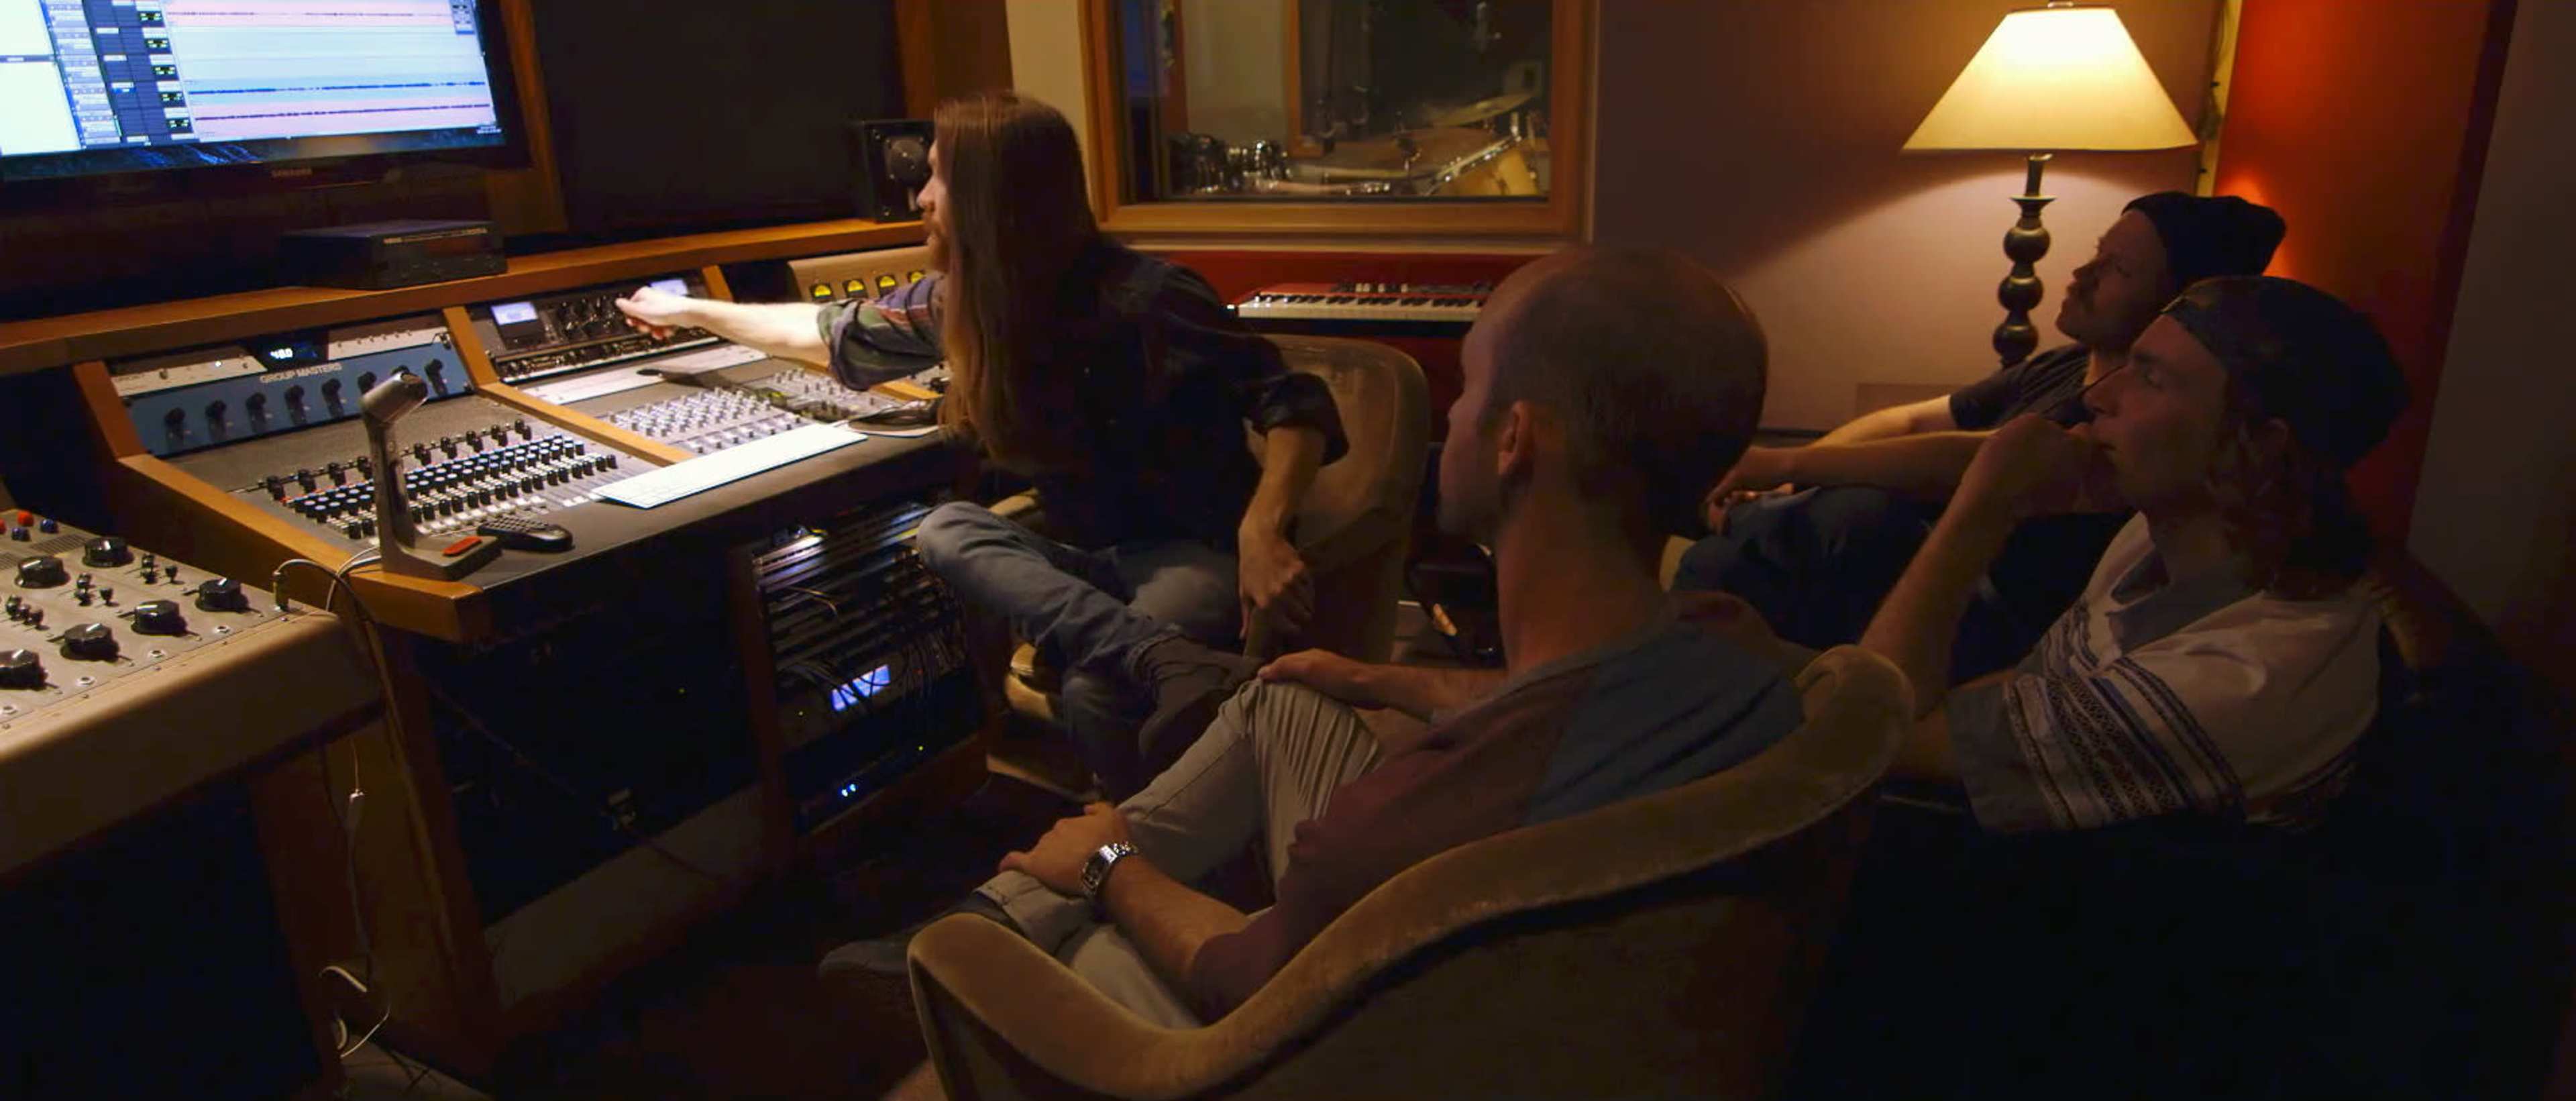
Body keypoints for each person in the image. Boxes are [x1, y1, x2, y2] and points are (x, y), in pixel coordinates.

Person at [819, 245, 1805, 1028]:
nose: (1450, 416)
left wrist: (1111, 867)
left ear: (1516, 442)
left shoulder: (1412, 819)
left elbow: (1248, 975)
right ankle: (989, 917)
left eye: (1466, 391)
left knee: (1099, 944)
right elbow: (1557, 696)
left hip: (1318, 1032)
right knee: (1285, 695)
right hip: (1518, 984)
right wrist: (1385, 678)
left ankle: (968, 960)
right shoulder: (1734, 643)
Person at [614, 93, 1346, 797]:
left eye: (938, 178)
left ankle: (1148, 860)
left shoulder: (1150, 297)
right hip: (1086, 558)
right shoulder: (973, 302)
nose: (921, 198)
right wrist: (688, 312)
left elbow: (1295, 401)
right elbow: (821, 332)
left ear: (996, 197)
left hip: (1190, 549)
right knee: (944, 530)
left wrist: (1262, 525)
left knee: (1097, 693)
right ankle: (1152, 655)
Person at [1861, 274, 2406, 832]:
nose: (2097, 396)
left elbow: (1861, 740)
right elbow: (2026, 686)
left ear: (2259, 447)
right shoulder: (2162, 531)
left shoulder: (2237, 680)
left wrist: (1983, 511)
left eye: (2150, 377)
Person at [1674, 193, 2286, 681]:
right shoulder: (2066, 365)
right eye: (2097, 252)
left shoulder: (2144, 420)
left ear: (2177, 303)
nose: (2081, 273)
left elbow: (1979, 457)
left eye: (2118, 268)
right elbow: (1916, 421)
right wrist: (1788, 472)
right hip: (1889, 565)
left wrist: (1790, 463)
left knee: (1849, 515)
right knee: (1754, 548)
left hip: (1978, 602)